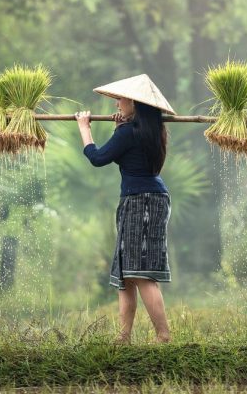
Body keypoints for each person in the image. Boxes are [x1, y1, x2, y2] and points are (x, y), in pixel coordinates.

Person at [74, 73, 176, 344]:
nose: (117, 104)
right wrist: (120, 128)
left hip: (141, 201)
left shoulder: (130, 133)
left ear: (133, 102)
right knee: (126, 274)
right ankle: (124, 336)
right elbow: (126, 149)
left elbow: (98, 158)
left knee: (140, 274)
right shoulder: (148, 131)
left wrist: (84, 128)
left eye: (120, 99)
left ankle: (163, 336)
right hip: (145, 198)